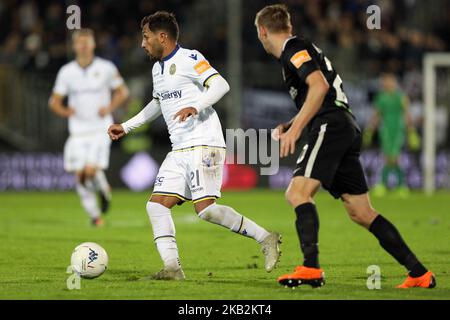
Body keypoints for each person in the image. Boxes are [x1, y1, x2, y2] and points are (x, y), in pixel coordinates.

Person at [254, 4, 435, 289]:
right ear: (287, 26)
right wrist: (293, 123)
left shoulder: (292, 48)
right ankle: (419, 273)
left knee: (298, 192)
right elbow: (319, 93)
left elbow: (319, 87)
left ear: (262, 31)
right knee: (361, 212)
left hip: (331, 125)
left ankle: (311, 268)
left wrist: (297, 130)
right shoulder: (299, 48)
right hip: (343, 125)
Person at [108, 11, 281, 280]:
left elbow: (221, 85)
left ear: (162, 37)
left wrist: (195, 105)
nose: (142, 44)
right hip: (179, 148)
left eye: (146, 37)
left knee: (207, 210)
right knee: (156, 205)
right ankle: (172, 269)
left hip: (204, 143)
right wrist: (126, 126)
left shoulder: (191, 58)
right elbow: (157, 102)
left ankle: (266, 237)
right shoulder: (158, 69)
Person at [49, 28, 129, 226]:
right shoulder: (67, 72)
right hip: (77, 132)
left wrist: (109, 107)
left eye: (87, 42)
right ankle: (96, 216)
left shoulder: (107, 67)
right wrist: (65, 111)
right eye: (80, 42)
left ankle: (102, 189)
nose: (84, 46)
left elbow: (122, 92)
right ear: (74, 46)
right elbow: (54, 101)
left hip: (101, 129)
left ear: (93, 44)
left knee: (90, 171)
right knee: (80, 176)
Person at [364, 73, 420, 197]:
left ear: (394, 82)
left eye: (389, 81)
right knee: (388, 158)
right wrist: (370, 130)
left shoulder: (401, 97)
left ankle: (389, 185)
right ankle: (397, 186)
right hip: (386, 130)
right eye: (385, 82)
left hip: (398, 130)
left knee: (394, 158)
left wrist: (411, 132)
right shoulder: (381, 97)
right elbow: (377, 115)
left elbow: (406, 114)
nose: (387, 84)